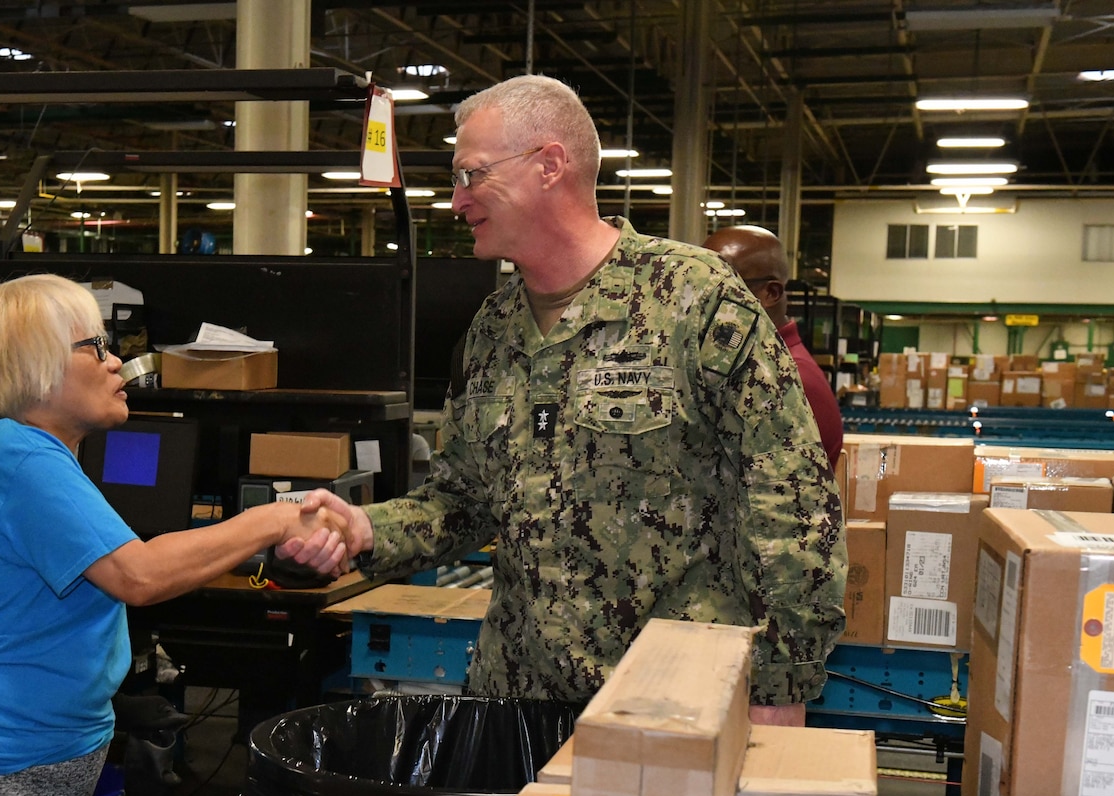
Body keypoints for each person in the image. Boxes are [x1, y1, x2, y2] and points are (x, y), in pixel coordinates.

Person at [286, 75, 844, 727]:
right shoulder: (492, 331)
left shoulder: (692, 301)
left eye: (472, 174)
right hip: (514, 701)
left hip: (666, 705)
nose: (458, 200)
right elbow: (460, 503)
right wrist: (364, 528)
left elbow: (792, 505)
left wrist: (781, 686)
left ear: (550, 165)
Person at [0, 273, 346, 796]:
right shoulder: (20, 457)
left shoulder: (32, 454)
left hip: (30, 751)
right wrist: (276, 518)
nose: (117, 363)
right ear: (34, 368)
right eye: (95, 347)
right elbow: (138, 574)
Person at [703, 225, 843, 465]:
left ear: (770, 293)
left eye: (718, 287)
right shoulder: (746, 364)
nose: (701, 299)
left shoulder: (787, 379)